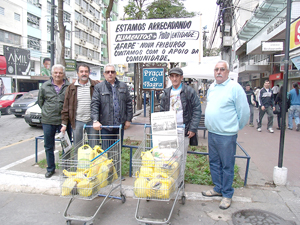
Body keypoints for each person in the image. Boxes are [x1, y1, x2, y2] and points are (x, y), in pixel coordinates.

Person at [203, 60, 249, 210]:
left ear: (227, 72)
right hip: (212, 133)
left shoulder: (235, 88)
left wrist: (235, 127)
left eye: (222, 69)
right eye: (216, 69)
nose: (219, 72)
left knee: (227, 165)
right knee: (214, 163)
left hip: (226, 135)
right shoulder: (212, 87)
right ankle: (218, 188)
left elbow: (244, 112)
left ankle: (227, 194)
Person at [91, 64, 133, 180]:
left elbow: (129, 103)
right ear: (104, 74)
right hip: (105, 125)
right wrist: (95, 120)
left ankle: (117, 173)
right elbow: (95, 105)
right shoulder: (99, 87)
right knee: (106, 151)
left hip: (119, 125)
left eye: (112, 72)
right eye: (108, 72)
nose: (110, 74)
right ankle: (108, 174)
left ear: (115, 73)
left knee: (118, 150)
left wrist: (128, 119)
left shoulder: (123, 86)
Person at [160, 67, 202, 168]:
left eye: (177, 76)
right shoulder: (166, 93)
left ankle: (180, 182)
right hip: (170, 129)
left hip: (184, 129)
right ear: (169, 78)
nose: (174, 79)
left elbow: (197, 109)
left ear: (181, 77)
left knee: (181, 157)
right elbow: (162, 111)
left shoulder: (189, 91)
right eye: (172, 76)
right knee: (168, 156)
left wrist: (192, 128)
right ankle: (170, 179)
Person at [38, 64, 71, 178]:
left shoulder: (69, 86)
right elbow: (40, 102)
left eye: (60, 73)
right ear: (52, 74)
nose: (58, 75)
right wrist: (48, 112)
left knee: (66, 146)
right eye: (55, 73)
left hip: (64, 122)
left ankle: (66, 169)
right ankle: (51, 168)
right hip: (48, 120)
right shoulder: (45, 86)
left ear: (63, 74)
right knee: (48, 146)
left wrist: (65, 121)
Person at [61, 64, 99, 150]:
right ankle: (79, 163)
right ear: (77, 73)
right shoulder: (71, 88)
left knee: (94, 148)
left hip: (92, 121)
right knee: (78, 148)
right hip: (77, 121)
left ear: (89, 73)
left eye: (86, 71)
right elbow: (66, 106)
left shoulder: (95, 85)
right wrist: (64, 123)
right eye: (81, 71)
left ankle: (93, 163)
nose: (84, 73)